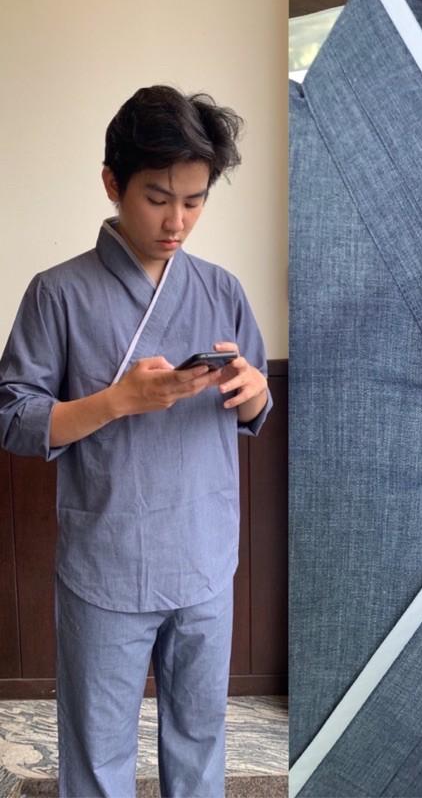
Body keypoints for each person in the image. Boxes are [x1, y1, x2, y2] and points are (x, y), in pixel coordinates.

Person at [0, 85, 271, 798]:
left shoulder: (221, 289)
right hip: (108, 558)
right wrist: (118, 400)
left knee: (200, 738)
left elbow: (255, 406)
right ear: (112, 183)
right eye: (157, 198)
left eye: (195, 200)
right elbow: (13, 417)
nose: (177, 221)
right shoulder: (57, 293)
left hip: (204, 551)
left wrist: (253, 391)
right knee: (97, 748)